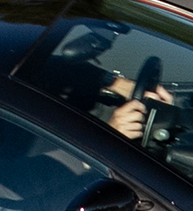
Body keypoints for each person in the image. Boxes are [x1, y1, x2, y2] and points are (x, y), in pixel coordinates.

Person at [26, 22, 173, 142]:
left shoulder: (24, 63)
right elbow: (70, 172)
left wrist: (116, 83)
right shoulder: (17, 145)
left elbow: (47, 65)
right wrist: (111, 137)